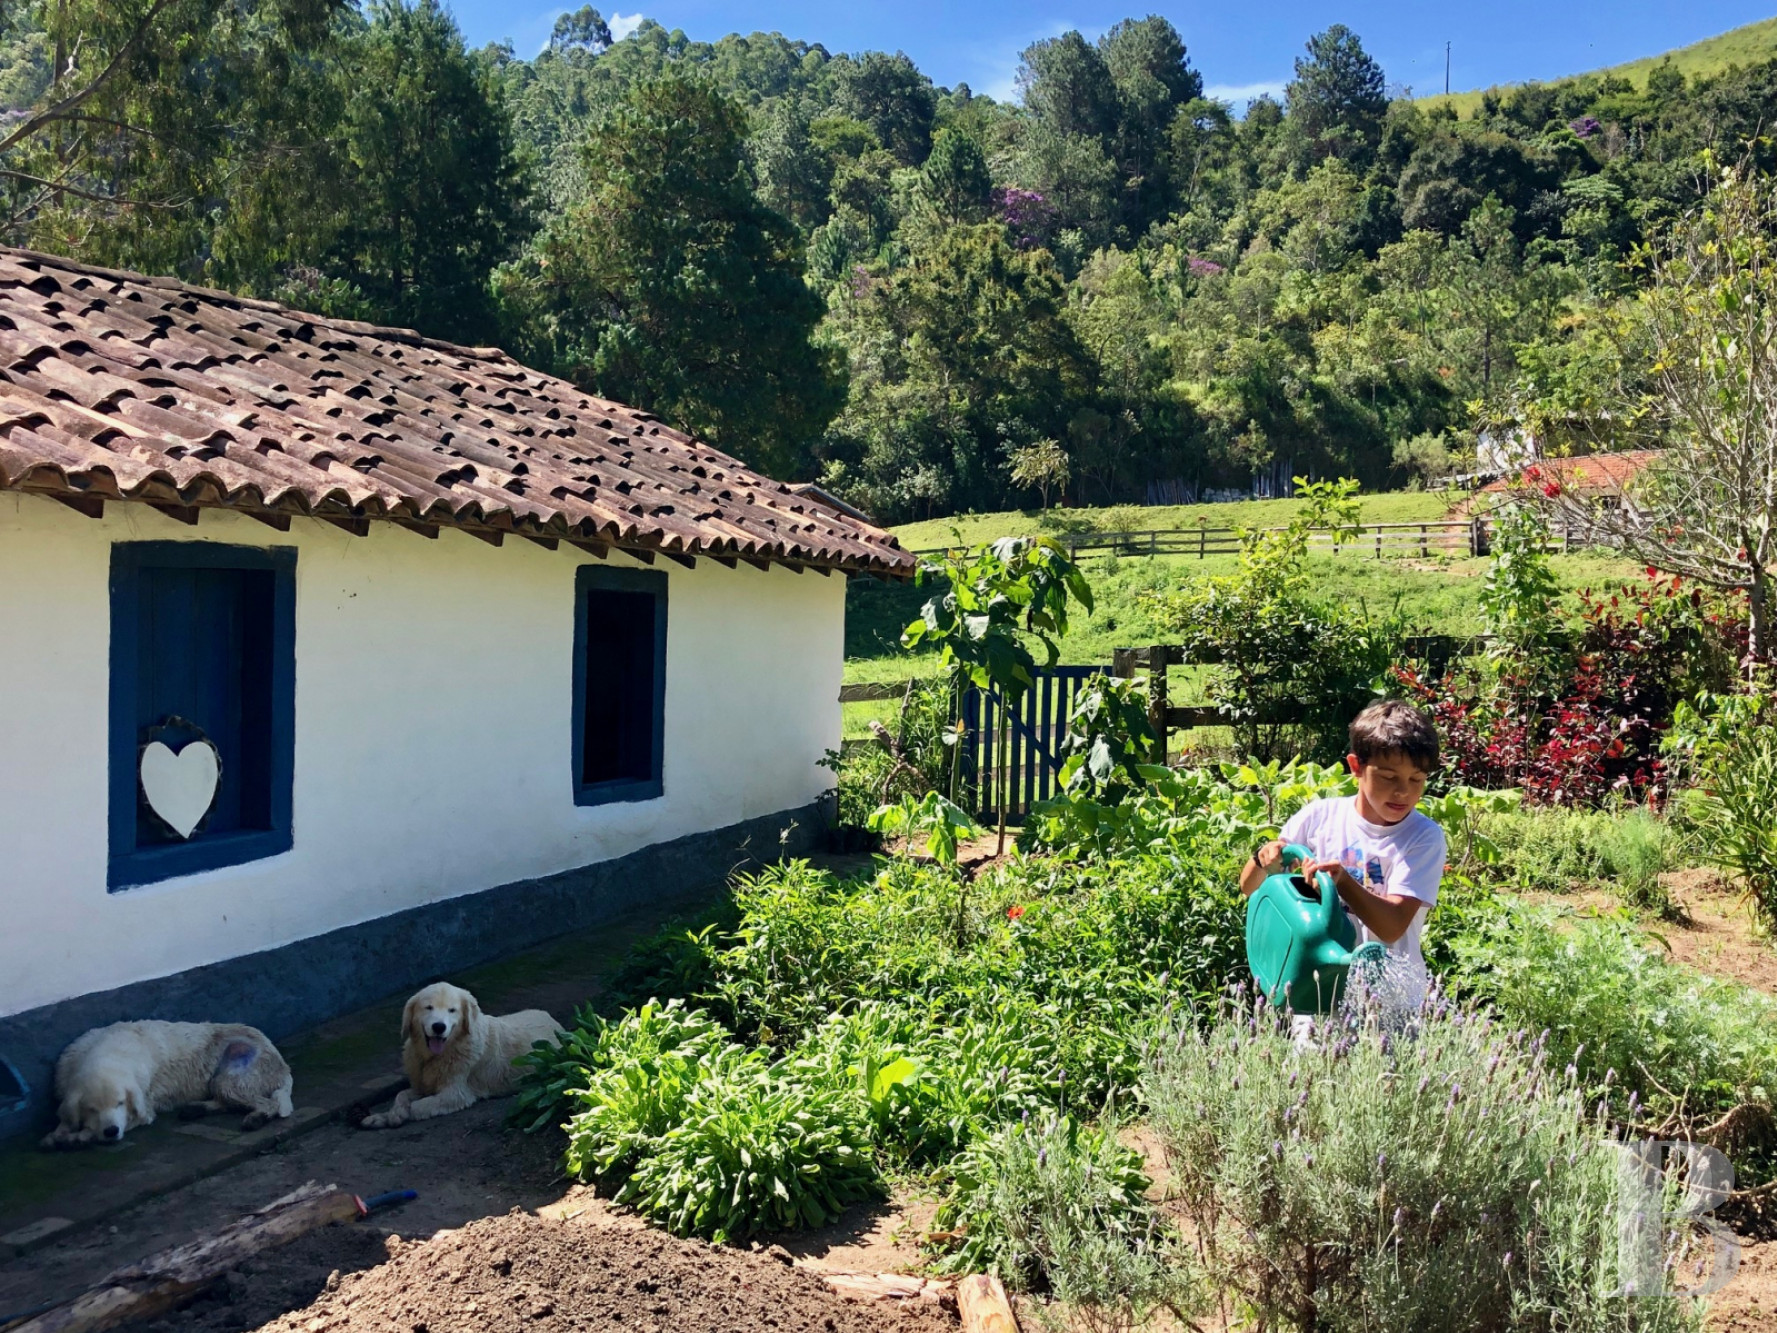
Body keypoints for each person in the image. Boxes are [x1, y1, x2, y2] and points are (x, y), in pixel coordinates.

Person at [1239, 699, 1446, 1022]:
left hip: (1390, 1001)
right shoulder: (1319, 818)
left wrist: (1343, 882)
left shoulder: (1422, 837)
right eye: (1389, 777)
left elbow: (1391, 927)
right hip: (1317, 995)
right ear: (1356, 766)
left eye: (1416, 780)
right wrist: (1263, 859)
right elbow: (1250, 888)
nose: (1403, 792)